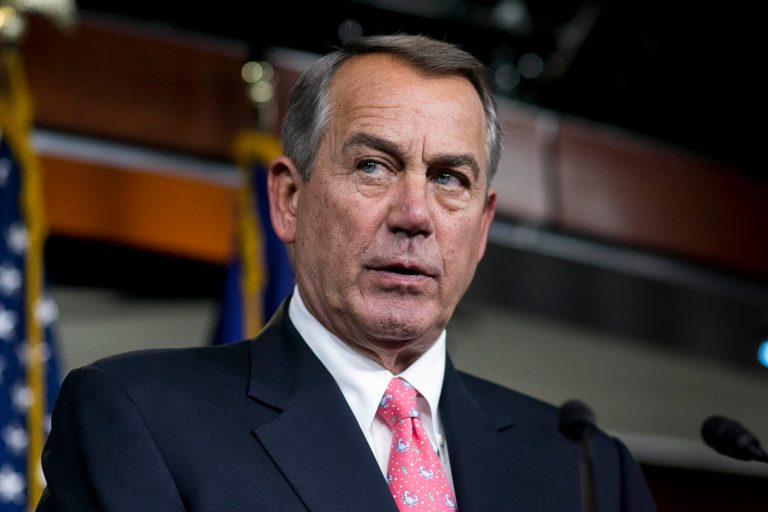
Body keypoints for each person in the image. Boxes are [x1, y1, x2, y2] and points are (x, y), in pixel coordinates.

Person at [37, 34, 656, 511]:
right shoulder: (139, 418)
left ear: (483, 224)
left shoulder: (586, 469)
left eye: (448, 178)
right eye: (373, 166)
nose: (415, 215)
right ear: (288, 199)